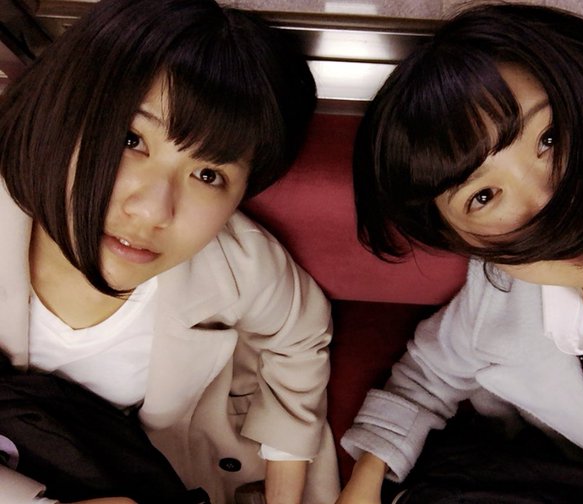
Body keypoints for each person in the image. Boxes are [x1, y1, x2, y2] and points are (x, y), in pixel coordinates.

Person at [338, 3, 583, 503]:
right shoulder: (498, 287)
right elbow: (429, 373)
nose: (556, 206)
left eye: (550, 138)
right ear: (461, 241)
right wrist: (365, 478)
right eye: (483, 196)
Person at [0, 0, 340, 503]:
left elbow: (300, 337)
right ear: (65, 111)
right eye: (130, 139)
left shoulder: (238, 264)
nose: (153, 210)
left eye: (208, 174)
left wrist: (282, 494)